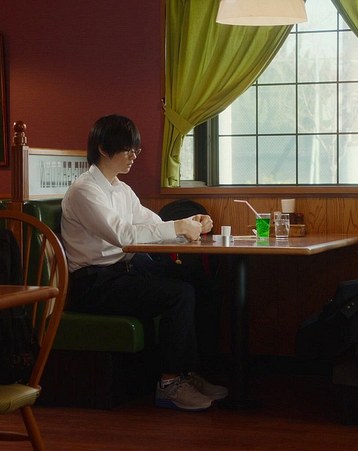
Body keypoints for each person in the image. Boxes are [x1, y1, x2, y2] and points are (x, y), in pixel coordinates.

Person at [61, 114, 227, 412]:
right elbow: (124, 235)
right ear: (103, 148)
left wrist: (190, 222)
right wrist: (177, 228)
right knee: (179, 294)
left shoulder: (121, 190)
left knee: (197, 281)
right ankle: (169, 384)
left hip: (124, 271)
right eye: (128, 149)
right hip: (93, 283)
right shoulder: (84, 191)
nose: (134, 155)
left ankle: (186, 373)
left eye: (135, 149)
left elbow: (154, 224)